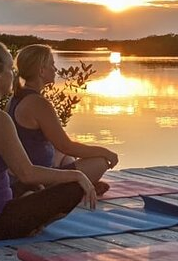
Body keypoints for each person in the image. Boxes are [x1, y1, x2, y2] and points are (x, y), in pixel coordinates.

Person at [0, 38, 96, 241]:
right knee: (74, 187)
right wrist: (77, 176)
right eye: (10, 70)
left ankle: (28, 203)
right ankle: (31, 223)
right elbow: (27, 173)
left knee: (32, 187)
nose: (14, 75)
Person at [8, 44, 118, 197]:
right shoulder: (38, 103)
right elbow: (67, 146)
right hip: (37, 177)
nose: (55, 69)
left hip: (30, 169)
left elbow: (62, 147)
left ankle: (84, 184)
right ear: (41, 71)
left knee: (64, 155)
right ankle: (75, 188)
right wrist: (105, 152)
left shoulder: (18, 97)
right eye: (52, 65)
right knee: (100, 162)